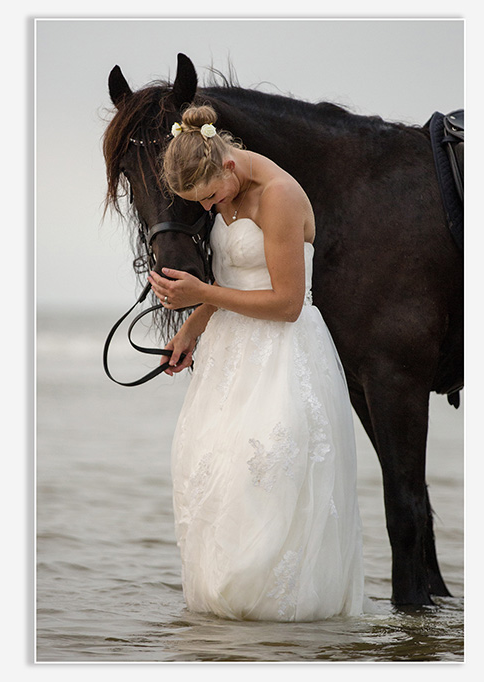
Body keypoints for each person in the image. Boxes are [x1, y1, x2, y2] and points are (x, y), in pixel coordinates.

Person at [149, 105, 364, 620]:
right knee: (213, 469)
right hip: (229, 354)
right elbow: (233, 279)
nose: (207, 207)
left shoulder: (279, 196)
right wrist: (190, 328)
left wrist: (203, 291)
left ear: (226, 166)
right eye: (197, 202)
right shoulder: (225, 188)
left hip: (282, 355)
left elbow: (289, 304)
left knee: (265, 473)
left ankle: (277, 615)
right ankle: (227, 610)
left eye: (208, 196)